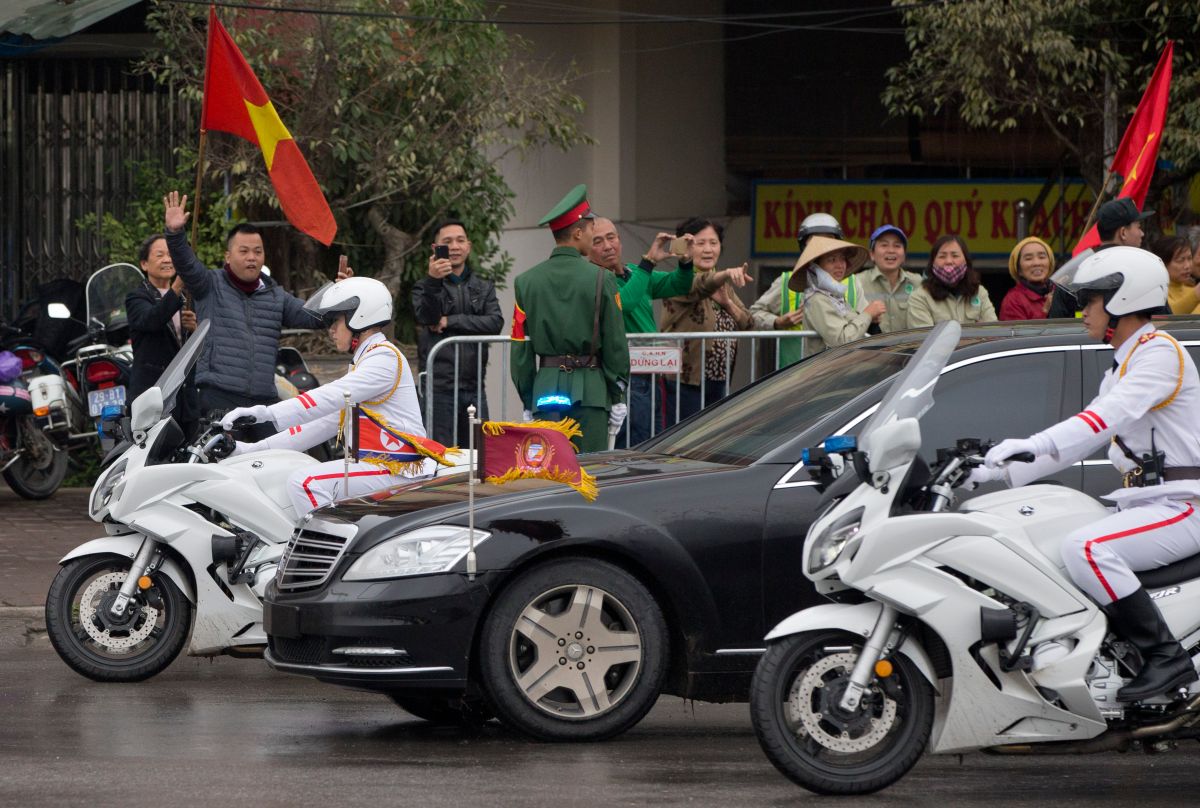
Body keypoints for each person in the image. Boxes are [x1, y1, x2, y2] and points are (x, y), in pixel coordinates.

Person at [977, 247, 1200, 701]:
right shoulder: (1122, 366)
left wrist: (1032, 442)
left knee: (1087, 547)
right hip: (1152, 502)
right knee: (1049, 551)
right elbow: (1081, 443)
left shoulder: (1160, 355)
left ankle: (1165, 658)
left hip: (1185, 504)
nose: (1082, 311)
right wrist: (985, 473)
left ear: (1121, 300)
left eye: (1091, 301)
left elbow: (1101, 420)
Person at [221, 277, 450, 517]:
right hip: (382, 466)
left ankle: (336, 552)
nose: (330, 329)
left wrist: (264, 413)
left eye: (336, 320)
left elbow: (328, 397)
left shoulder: (384, 359)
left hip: (399, 468)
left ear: (359, 316)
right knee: (298, 477)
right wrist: (250, 450)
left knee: (306, 483)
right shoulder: (367, 360)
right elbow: (324, 423)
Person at [162, 191, 352, 440]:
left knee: (272, 466)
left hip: (264, 402)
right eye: (244, 251)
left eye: (257, 251)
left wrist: (340, 293)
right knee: (225, 471)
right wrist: (175, 235)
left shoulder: (276, 295)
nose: (252, 257)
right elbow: (186, 264)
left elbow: (313, 317)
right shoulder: (209, 284)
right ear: (228, 257)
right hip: (218, 397)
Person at [510, 185, 630, 453]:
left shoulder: (526, 282)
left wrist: (528, 398)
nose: (592, 237)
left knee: (550, 473)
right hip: (593, 392)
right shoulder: (603, 278)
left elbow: (520, 347)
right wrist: (617, 394)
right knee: (591, 474)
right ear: (577, 233)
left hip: (546, 390)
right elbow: (615, 344)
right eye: (590, 231)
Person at [588, 217, 693, 444]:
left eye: (611, 237)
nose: (607, 246)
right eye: (597, 241)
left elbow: (678, 285)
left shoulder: (634, 272)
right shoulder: (595, 280)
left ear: (620, 240)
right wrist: (648, 263)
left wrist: (685, 262)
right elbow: (623, 304)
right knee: (632, 448)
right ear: (587, 251)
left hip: (651, 374)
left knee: (651, 446)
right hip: (625, 378)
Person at [411, 218, 504, 446]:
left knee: (480, 455)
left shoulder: (483, 287)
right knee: (441, 456)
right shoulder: (423, 287)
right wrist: (434, 281)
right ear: (436, 248)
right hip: (439, 389)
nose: (454, 246)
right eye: (447, 241)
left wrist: (450, 321)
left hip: (474, 387)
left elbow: (494, 322)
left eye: (460, 240)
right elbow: (428, 317)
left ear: (468, 246)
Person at [660, 218, 754, 424]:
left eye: (713, 243)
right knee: (684, 439)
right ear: (685, 248)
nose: (708, 249)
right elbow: (700, 286)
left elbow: (748, 322)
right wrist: (726, 274)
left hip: (718, 378)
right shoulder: (677, 281)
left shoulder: (723, 284)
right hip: (685, 381)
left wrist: (728, 303)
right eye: (700, 243)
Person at [750, 213, 851, 367]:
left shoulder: (852, 284)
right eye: (815, 242)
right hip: (795, 380)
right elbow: (753, 315)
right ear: (804, 247)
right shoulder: (786, 282)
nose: (821, 247)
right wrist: (777, 322)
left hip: (840, 375)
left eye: (828, 241)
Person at [1048, 198, 1153, 318]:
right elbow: (1164, 323)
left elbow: (1056, 327)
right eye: (1138, 227)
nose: (1142, 233)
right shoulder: (1143, 272)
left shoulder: (1073, 276)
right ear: (1123, 232)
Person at [125, 234, 198, 403]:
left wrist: (195, 328)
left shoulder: (188, 298)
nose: (167, 260)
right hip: (152, 394)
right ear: (144, 264)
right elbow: (153, 319)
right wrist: (178, 284)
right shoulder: (136, 298)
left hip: (185, 395)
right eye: (160, 255)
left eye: (171, 255)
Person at [788, 235, 882, 355]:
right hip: (823, 371)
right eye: (832, 260)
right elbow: (842, 340)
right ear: (816, 267)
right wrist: (868, 314)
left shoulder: (833, 296)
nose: (840, 265)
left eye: (842, 259)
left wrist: (870, 319)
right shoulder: (817, 299)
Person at [907, 234, 998, 327]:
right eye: (942, 256)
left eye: (955, 255)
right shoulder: (920, 298)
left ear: (966, 260)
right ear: (933, 262)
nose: (949, 261)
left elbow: (993, 331)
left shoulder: (979, 292)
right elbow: (926, 339)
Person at [857, 224, 923, 333]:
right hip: (870, 349)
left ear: (904, 255)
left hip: (911, 349)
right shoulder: (857, 283)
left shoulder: (918, 282)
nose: (891, 250)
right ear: (872, 254)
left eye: (897, 246)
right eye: (884, 245)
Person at [999, 236, 1057, 321]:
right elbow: (1019, 334)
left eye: (1042, 257)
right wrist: (1045, 311)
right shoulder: (1013, 300)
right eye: (1028, 259)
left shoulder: (1058, 291)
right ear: (1019, 270)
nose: (1036, 263)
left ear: (1050, 263)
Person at [1150, 235, 1199, 315]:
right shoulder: (1156, 293)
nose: (1187, 266)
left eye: (1189, 258)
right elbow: (1169, 314)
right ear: (1163, 263)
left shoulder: (1191, 289)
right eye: (1180, 260)